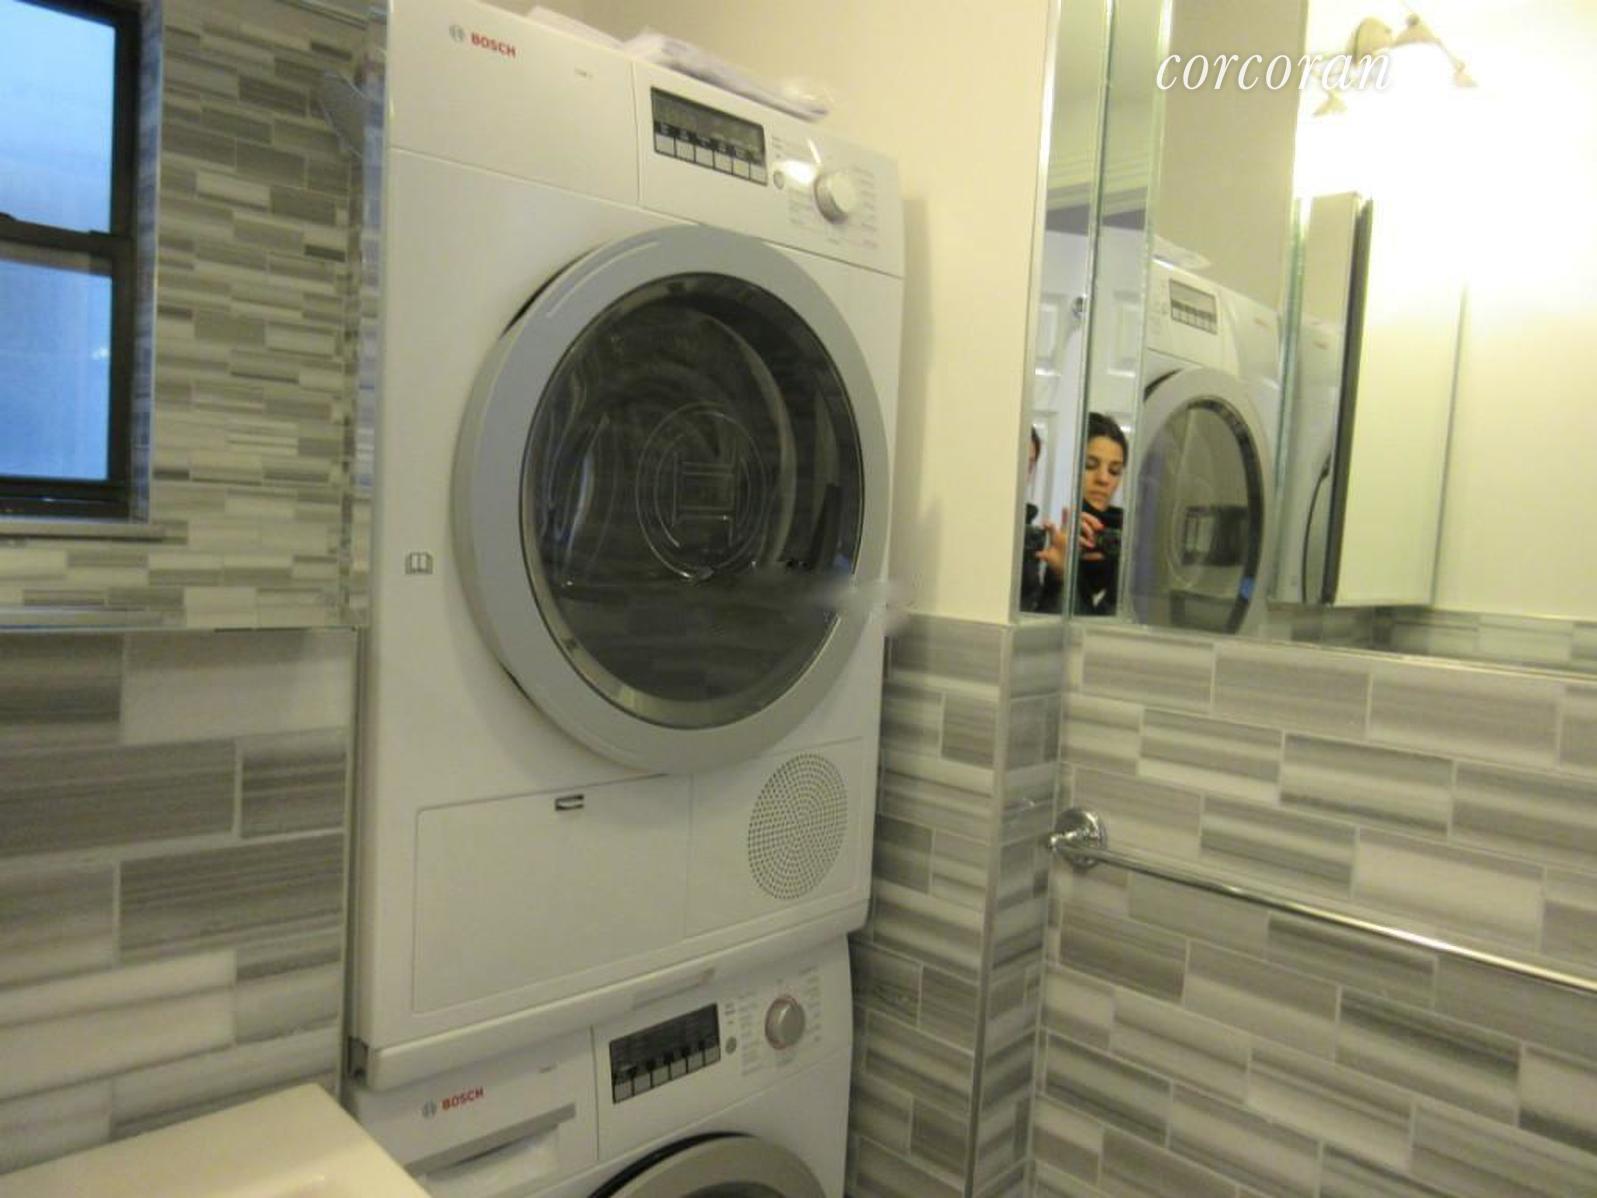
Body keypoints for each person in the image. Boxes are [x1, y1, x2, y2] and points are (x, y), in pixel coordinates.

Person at [1026, 412, 1128, 615]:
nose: (1103, 479)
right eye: (1090, 465)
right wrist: (1059, 575)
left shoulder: (1135, 545)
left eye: (1114, 471)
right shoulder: (1043, 534)